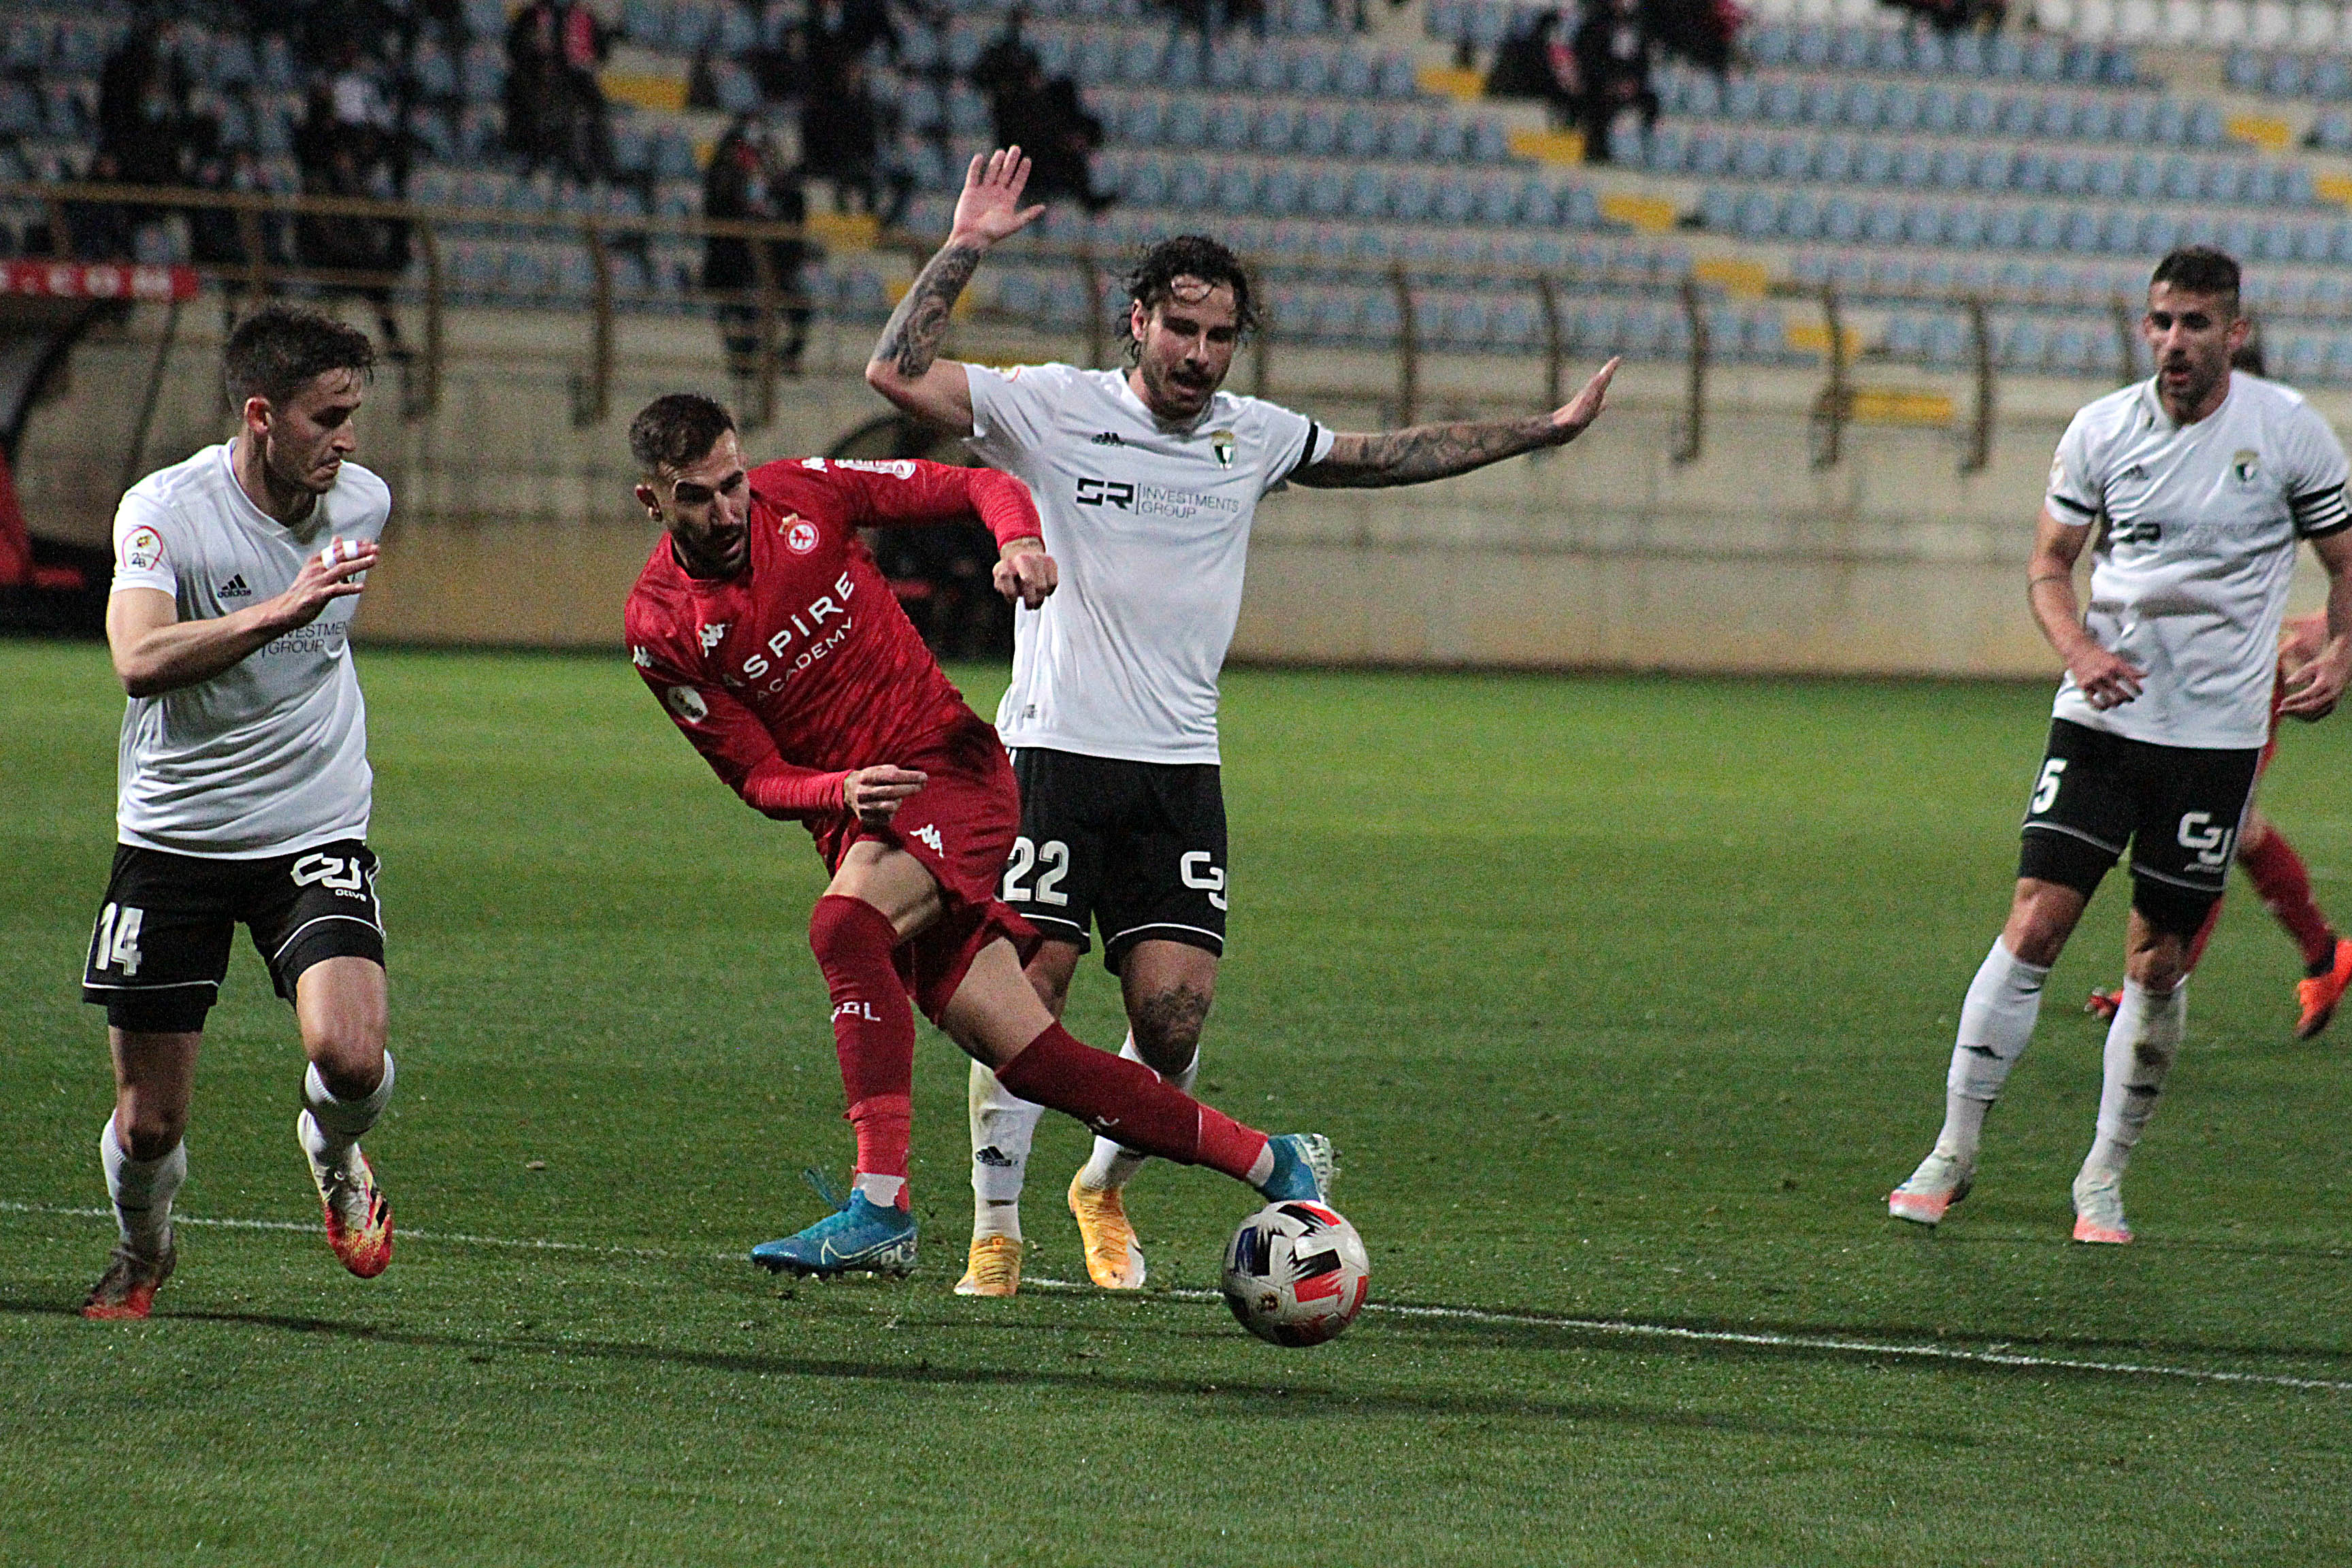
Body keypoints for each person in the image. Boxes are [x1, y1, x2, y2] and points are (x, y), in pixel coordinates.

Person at [864, 148, 1618, 1296]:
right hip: (1054, 751)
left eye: (1220, 338)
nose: (1200, 356)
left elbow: (1382, 455)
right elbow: (895, 374)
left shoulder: (1250, 435)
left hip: (1179, 765)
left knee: (1171, 1013)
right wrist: (967, 241)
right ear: (1138, 322)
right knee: (1031, 988)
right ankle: (997, 1225)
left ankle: (1102, 1183)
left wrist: (1541, 431)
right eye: (1182, 331)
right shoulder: (1051, 407)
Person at [619, 393, 1335, 1279]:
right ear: (653, 501)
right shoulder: (659, 628)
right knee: (1038, 1062)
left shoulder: (804, 494)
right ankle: (1276, 1161)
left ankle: (880, 1207)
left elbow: (979, 484)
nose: (728, 511)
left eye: (732, 484)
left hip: (951, 768)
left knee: (844, 928)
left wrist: (1020, 540)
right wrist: (835, 788)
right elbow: (754, 776)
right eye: (698, 497)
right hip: (863, 823)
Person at [1888, 247, 2352, 1246]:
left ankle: (2102, 1178)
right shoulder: (2102, 429)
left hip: (2216, 741)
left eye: (2194, 324)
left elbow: (2344, 563)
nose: (2173, 342)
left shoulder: (2289, 433)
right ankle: (1953, 1150)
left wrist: (2342, 651)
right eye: (2160, 323)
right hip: (2100, 718)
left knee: (2158, 962)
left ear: (2236, 331)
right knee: (2036, 924)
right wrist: (2079, 648)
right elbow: (2052, 564)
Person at [78, 306, 397, 1320]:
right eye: (327, 417)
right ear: (261, 415)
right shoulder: (166, 510)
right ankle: (145, 1250)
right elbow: (137, 660)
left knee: (348, 1055)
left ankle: (334, 1146)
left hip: (313, 821)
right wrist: (280, 611)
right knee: (152, 1125)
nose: (347, 441)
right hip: (176, 832)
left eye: (354, 415)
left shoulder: (364, 501)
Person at [2084, 612, 2352, 1038]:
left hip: (2239, 667)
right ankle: (2325, 956)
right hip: (2188, 658)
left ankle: (2155, 984)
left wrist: (2337, 619)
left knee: (2215, 826)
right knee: (2233, 827)